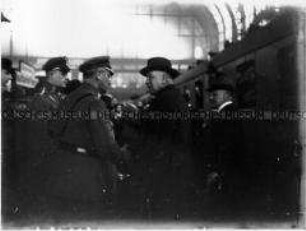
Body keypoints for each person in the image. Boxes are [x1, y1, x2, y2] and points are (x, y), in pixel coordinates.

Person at [39, 56, 129, 215]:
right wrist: (125, 157)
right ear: (100, 74)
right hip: (85, 180)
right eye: (109, 75)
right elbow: (106, 145)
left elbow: (53, 129)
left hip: (61, 174)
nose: (110, 81)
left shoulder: (70, 98)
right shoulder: (95, 103)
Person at [206, 73, 244, 199]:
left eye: (215, 94)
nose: (211, 97)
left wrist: (217, 172)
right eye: (211, 94)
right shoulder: (230, 112)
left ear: (228, 95)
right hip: (231, 173)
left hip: (225, 175)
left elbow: (225, 147)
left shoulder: (226, 115)